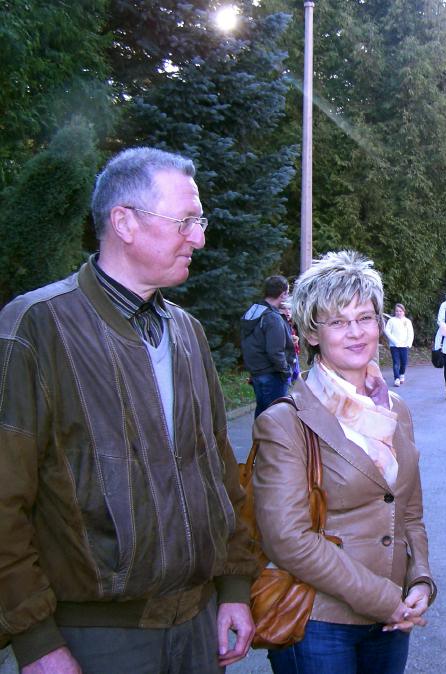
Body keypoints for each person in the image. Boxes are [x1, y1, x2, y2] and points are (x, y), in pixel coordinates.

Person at [0, 147, 257, 673]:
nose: (200, 237)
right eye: (186, 220)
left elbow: (220, 472)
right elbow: (3, 503)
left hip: (197, 627)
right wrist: (36, 640)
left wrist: (233, 586)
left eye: (199, 220)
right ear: (124, 223)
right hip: (96, 642)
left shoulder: (188, 332)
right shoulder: (36, 327)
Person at [252, 250, 436, 674]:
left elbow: (408, 510)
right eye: (337, 321)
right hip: (319, 622)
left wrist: (421, 581)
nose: (356, 333)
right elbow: (288, 540)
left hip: (392, 621)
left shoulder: (397, 409)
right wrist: (385, 600)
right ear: (312, 333)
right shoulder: (285, 420)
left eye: (365, 317)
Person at [241, 275, 297, 417]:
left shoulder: (253, 311)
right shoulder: (272, 317)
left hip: (258, 373)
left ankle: (258, 440)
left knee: (262, 415)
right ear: (283, 293)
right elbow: (275, 351)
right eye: (287, 292)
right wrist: (286, 372)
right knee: (276, 418)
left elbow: (255, 341)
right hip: (273, 375)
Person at [384, 303, 414, 386]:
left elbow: (410, 333)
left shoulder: (407, 321)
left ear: (404, 312)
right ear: (394, 312)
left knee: (404, 362)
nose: (398, 313)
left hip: (404, 345)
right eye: (397, 311)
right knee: (396, 362)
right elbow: (387, 331)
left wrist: (409, 343)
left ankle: (401, 374)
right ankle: (396, 378)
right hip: (394, 346)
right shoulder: (391, 321)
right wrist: (394, 341)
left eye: (400, 311)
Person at [279, 301, 302, 384]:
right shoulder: (278, 323)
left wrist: (296, 340)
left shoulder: (292, 323)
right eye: (283, 308)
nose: (287, 312)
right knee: (287, 379)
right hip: (284, 356)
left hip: (294, 354)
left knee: (297, 376)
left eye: (289, 309)